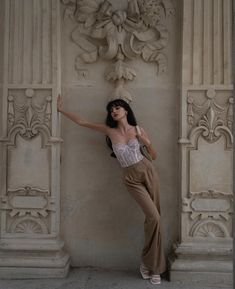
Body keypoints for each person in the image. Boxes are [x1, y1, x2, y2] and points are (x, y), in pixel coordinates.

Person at [57, 95, 166, 285]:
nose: (113, 111)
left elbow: (154, 156)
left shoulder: (138, 130)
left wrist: (146, 142)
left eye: (117, 108)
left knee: (155, 220)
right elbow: (83, 122)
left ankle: (153, 267)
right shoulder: (109, 130)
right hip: (130, 178)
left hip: (148, 171)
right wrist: (61, 110)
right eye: (111, 109)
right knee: (153, 217)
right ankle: (148, 262)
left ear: (125, 110)